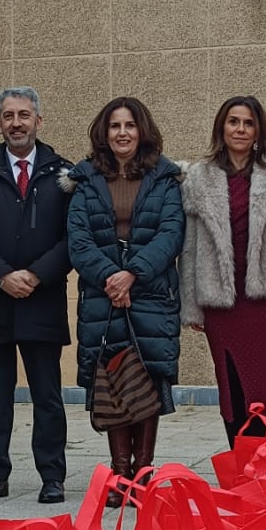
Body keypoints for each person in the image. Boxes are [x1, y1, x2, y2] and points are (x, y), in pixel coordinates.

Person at [68, 95, 185, 497]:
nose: (122, 133)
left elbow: (171, 234)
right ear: (104, 132)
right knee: (112, 379)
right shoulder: (84, 180)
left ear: (142, 131)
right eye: (115, 126)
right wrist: (111, 278)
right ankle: (120, 472)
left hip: (150, 294)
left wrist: (132, 274)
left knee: (149, 379)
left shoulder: (166, 178)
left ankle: (144, 471)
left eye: (130, 126)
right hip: (103, 297)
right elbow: (79, 241)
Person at [181, 96, 266, 445]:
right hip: (222, 304)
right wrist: (192, 304)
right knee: (231, 389)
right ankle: (239, 467)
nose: (240, 129)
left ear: (259, 129)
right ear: (221, 128)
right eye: (233, 121)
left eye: (248, 123)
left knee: (265, 389)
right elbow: (190, 247)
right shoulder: (199, 177)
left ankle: (265, 469)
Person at [0, 84, 73, 503]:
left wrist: (36, 275)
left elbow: (71, 237)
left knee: (47, 395)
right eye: (8, 116)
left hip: (42, 300)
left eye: (24, 115)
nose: (16, 123)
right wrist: (3, 276)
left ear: (38, 121)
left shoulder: (64, 174)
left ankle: (52, 476)